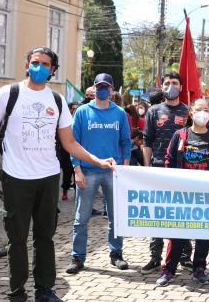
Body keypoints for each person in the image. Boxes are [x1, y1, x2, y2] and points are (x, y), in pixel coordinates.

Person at [0, 46, 114, 302]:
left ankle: (45, 290)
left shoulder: (57, 100)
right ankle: (17, 292)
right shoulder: (8, 93)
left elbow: (69, 142)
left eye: (45, 64)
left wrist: (97, 160)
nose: (39, 67)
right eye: (35, 62)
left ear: (53, 70)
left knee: (45, 237)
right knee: (16, 240)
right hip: (16, 178)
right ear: (27, 65)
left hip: (48, 178)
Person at [155, 99, 209, 286]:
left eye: (206, 110)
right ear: (190, 113)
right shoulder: (180, 135)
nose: (202, 113)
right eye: (198, 109)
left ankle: (199, 269)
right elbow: (169, 161)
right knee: (177, 234)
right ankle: (169, 270)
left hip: (206, 196)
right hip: (183, 196)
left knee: (203, 234)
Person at [65, 73, 131, 275]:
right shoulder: (83, 112)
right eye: (99, 86)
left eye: (106, 86)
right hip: (87, 172)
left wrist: (124, 170)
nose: (102, 89)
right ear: (93, 89)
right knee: (81, 218)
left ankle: (116, 253)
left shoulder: (119, 113)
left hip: (113, 172)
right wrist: (76, 169)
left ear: (112, 90)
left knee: (116, 216)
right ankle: (77, 257)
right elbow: (73, 143)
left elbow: (126, 142)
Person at [141, 72, 189, 274]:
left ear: (181, 86)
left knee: (182, 214)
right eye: (167, 83)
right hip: (159, 168)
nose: (171, 86)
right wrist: (146, 168)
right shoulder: (154, 111)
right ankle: (155, 257)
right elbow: (147, 142)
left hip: (182, 171)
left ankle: (185, 256)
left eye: (175, 83)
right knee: (158, 214)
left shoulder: (188, 111)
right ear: (162, 86)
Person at [59, 102, 80, 200]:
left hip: (78, 150)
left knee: (77, 172)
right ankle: (65, 191)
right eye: (73, 108)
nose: (74, 110)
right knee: (67, 173)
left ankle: (77, 193)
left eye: (76, 108)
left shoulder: (79, 119)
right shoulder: (64, 120)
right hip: (66, 152)